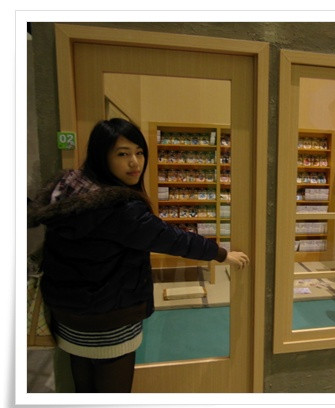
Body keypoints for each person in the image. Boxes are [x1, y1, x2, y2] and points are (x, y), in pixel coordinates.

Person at [28, 118, 249, 393]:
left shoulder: (70, 188)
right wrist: (221, 254)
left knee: (84, 390)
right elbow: (172, 239)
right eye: (122, 154)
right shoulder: (119, 207)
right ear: (101, 156)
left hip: (69, 314)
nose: (135, 162)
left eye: (139, 152)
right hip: (110, 315)